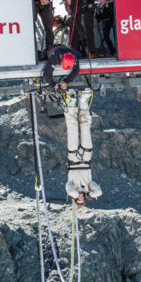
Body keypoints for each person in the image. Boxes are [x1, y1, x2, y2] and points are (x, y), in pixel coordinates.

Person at [41, 44, 102, 203]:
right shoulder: (89, 186)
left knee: (73, 126)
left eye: (79, 199)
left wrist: (76, 195)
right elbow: (99, 191)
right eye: (82, 199)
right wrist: (88, 194)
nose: (81, 197)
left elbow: (68, 189)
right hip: (86, 156)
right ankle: (82, 104)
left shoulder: (71, 186)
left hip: (74, 156)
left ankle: (71, 104)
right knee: (85, 125)